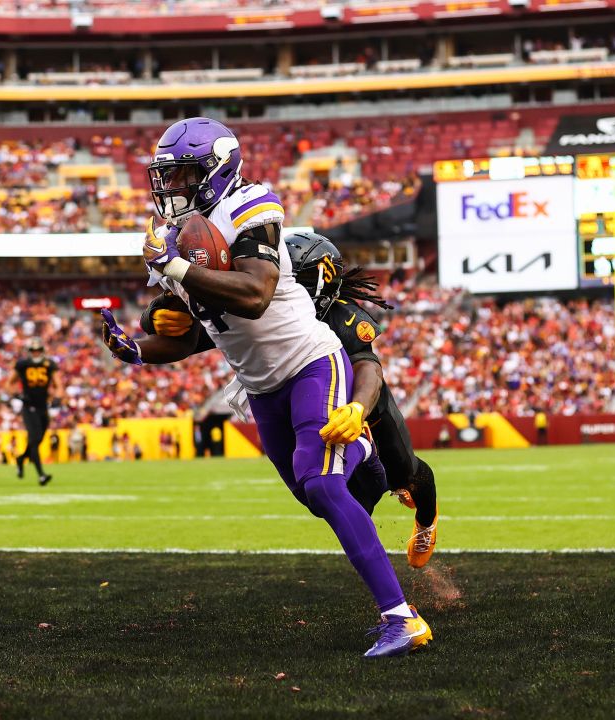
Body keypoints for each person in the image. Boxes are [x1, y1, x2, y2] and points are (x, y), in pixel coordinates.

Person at [98, 116, 430, 658]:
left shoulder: (249, 206)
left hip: (310, 363)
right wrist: (135, 349)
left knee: (323, 485)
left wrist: (176, 265)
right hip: (261, 388)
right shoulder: (178, 238)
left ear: (217, 170)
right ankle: (365, 457)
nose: (171, 187)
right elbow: (198, 333)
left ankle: (403, 619)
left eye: (183, 175)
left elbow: (254, 294)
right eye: (167, 176)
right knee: (313, 495)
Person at [140, 232, 440, 568]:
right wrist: (155, 316)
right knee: (339, 496)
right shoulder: (265, 314)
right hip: (309, 406)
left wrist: (358, 408)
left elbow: (368, 366)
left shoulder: (338, 314)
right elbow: (201, 331)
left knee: (405, 471)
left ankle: (427, 522)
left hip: (364, 409)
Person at [14, 337, 58, 486]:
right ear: (29, 352)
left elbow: (58, 385)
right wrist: (17, 395)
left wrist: (57, 396)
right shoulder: (23, 365)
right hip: (29, 407)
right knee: (34, 438)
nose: (36, 353)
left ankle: (21, 459)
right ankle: (41, 475)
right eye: (33, 350)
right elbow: (9, 383)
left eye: (38, 350)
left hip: (43, 406)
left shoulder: (49, 364)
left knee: (37, 440)